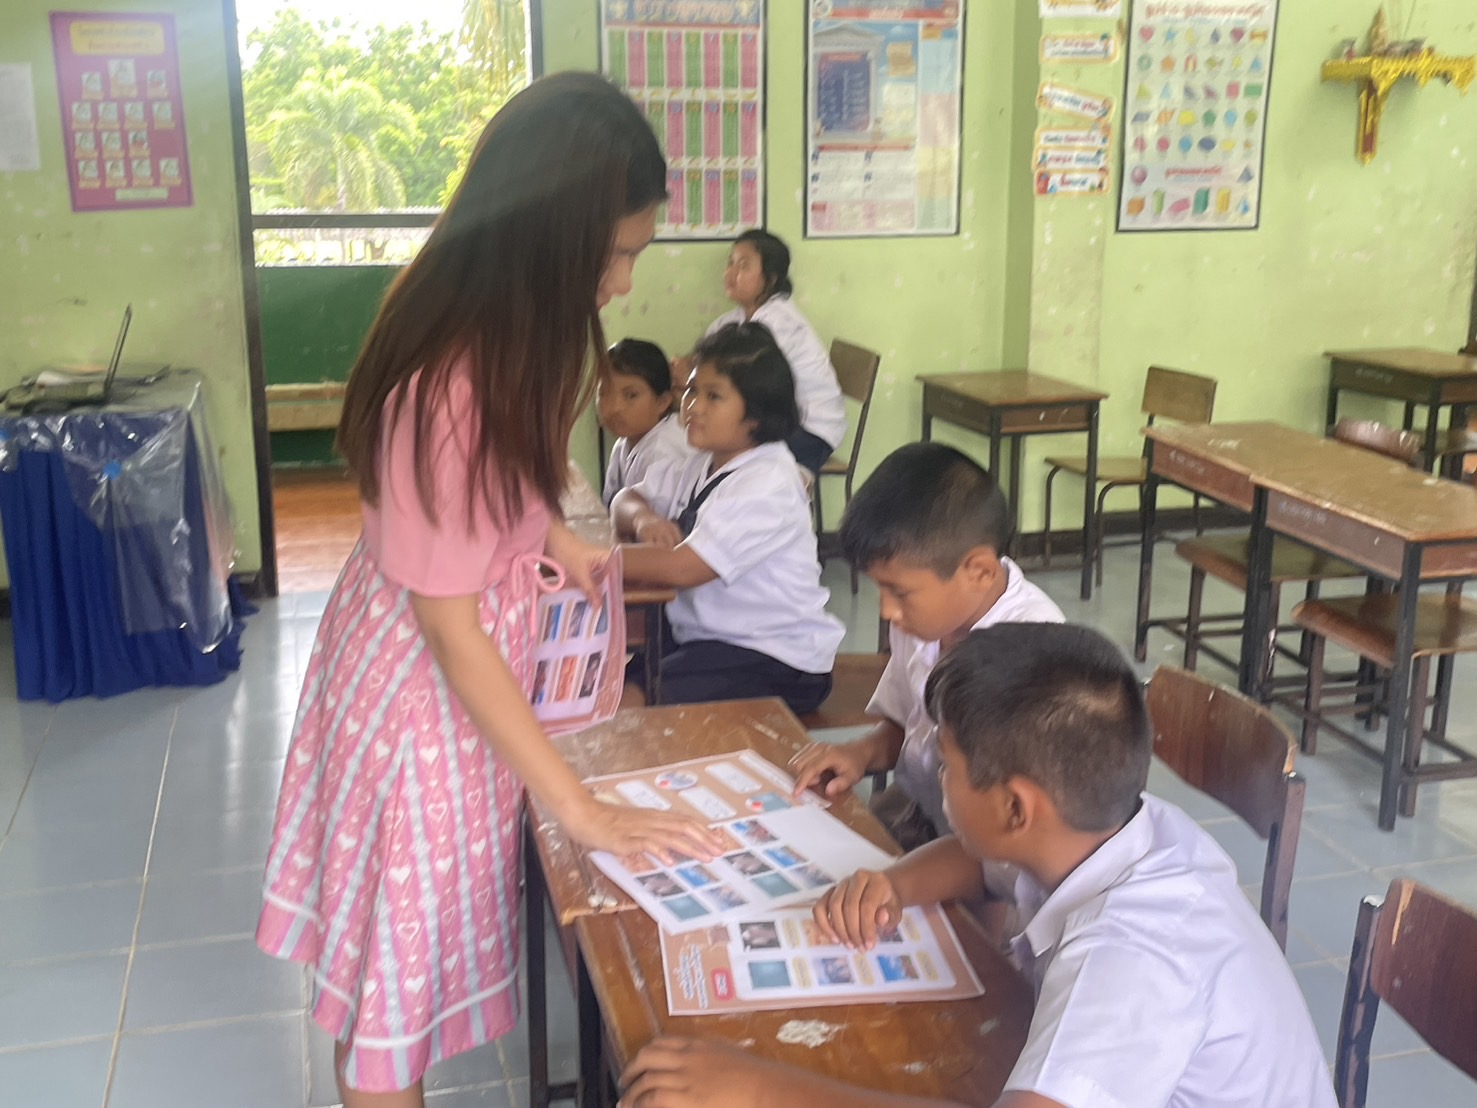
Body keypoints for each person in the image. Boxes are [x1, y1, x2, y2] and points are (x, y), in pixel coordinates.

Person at [254, 73, 720, 1108]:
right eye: (616, 254)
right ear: (551, 237)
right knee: (389, 1017)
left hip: (444, 685)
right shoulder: (450, 379)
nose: (622, 284)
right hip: (423, 709)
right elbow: (448, 626)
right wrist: (581, 811)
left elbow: (503, 476)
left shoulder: (503, 330)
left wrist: (554, 536)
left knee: (400, 985)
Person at [619, 624, 1338, 1108]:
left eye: (948, 766)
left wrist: (761, 1091)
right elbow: (978, 860)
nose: (935, 777)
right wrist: (893, 884)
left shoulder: (1132, 958)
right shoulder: (1116, 830)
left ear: (1016, 807)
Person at [790, 443, 1063, 850]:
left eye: (899, 592)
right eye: (880, 589)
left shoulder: (1035, 657)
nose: (886, 611)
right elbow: (907, 725)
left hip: (993, 852)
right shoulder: (922, 622)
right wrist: (859, 754)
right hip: (921, 809)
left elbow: (1024, 832)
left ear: (979, 571)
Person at [613, 321, 844, 713]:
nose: (694, 406)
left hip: (773, 658)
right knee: (608, 685)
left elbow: (683, 568)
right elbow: (625, 498)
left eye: (713, 396)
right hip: (705, 640)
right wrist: (643, 520)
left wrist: (588, 560)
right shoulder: (700, 464)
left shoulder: (767, 481)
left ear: (756, 413)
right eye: (691, 391)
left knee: (632, 701)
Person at [689, 229, 845, 475]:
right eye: (730, 263)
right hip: (780, 419)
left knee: (723, 447)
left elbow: (747, 384)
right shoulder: (732, 320)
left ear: (770, 279)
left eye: (744, 266)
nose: (731, 273)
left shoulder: (779, 321)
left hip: (811, 430)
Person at [598, 337, 692, 506]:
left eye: (631, 395)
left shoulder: (663, 452)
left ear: (662, 402)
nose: (614, 407)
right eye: (604, 393)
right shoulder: (624, 443)